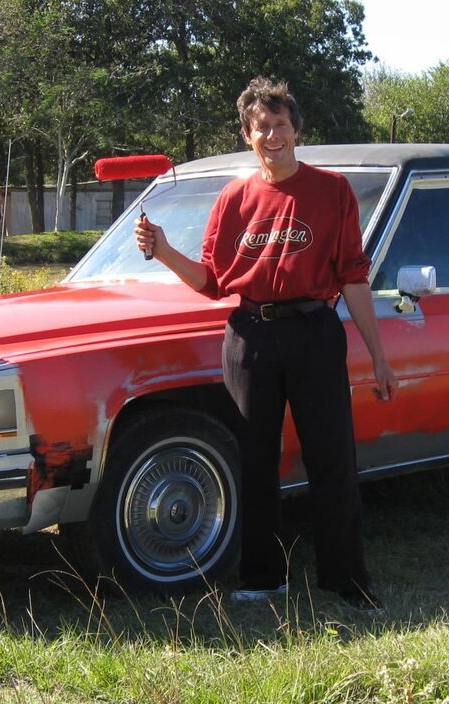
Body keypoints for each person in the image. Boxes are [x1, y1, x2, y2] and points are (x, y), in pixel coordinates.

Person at [134, 76, 397, 611]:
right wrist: (162, 249)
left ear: (296, 129)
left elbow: (353, 276)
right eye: (261, 127)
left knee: (332, 457)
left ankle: (346, 578)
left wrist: (379, 356)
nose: (272, 135)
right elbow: (212, 280)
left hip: (315, 333)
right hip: (250, 337)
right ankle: (261, 578)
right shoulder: (234, 198)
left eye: (280, 124)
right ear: (247, 135)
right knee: (254, 461)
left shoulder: (332, 191)